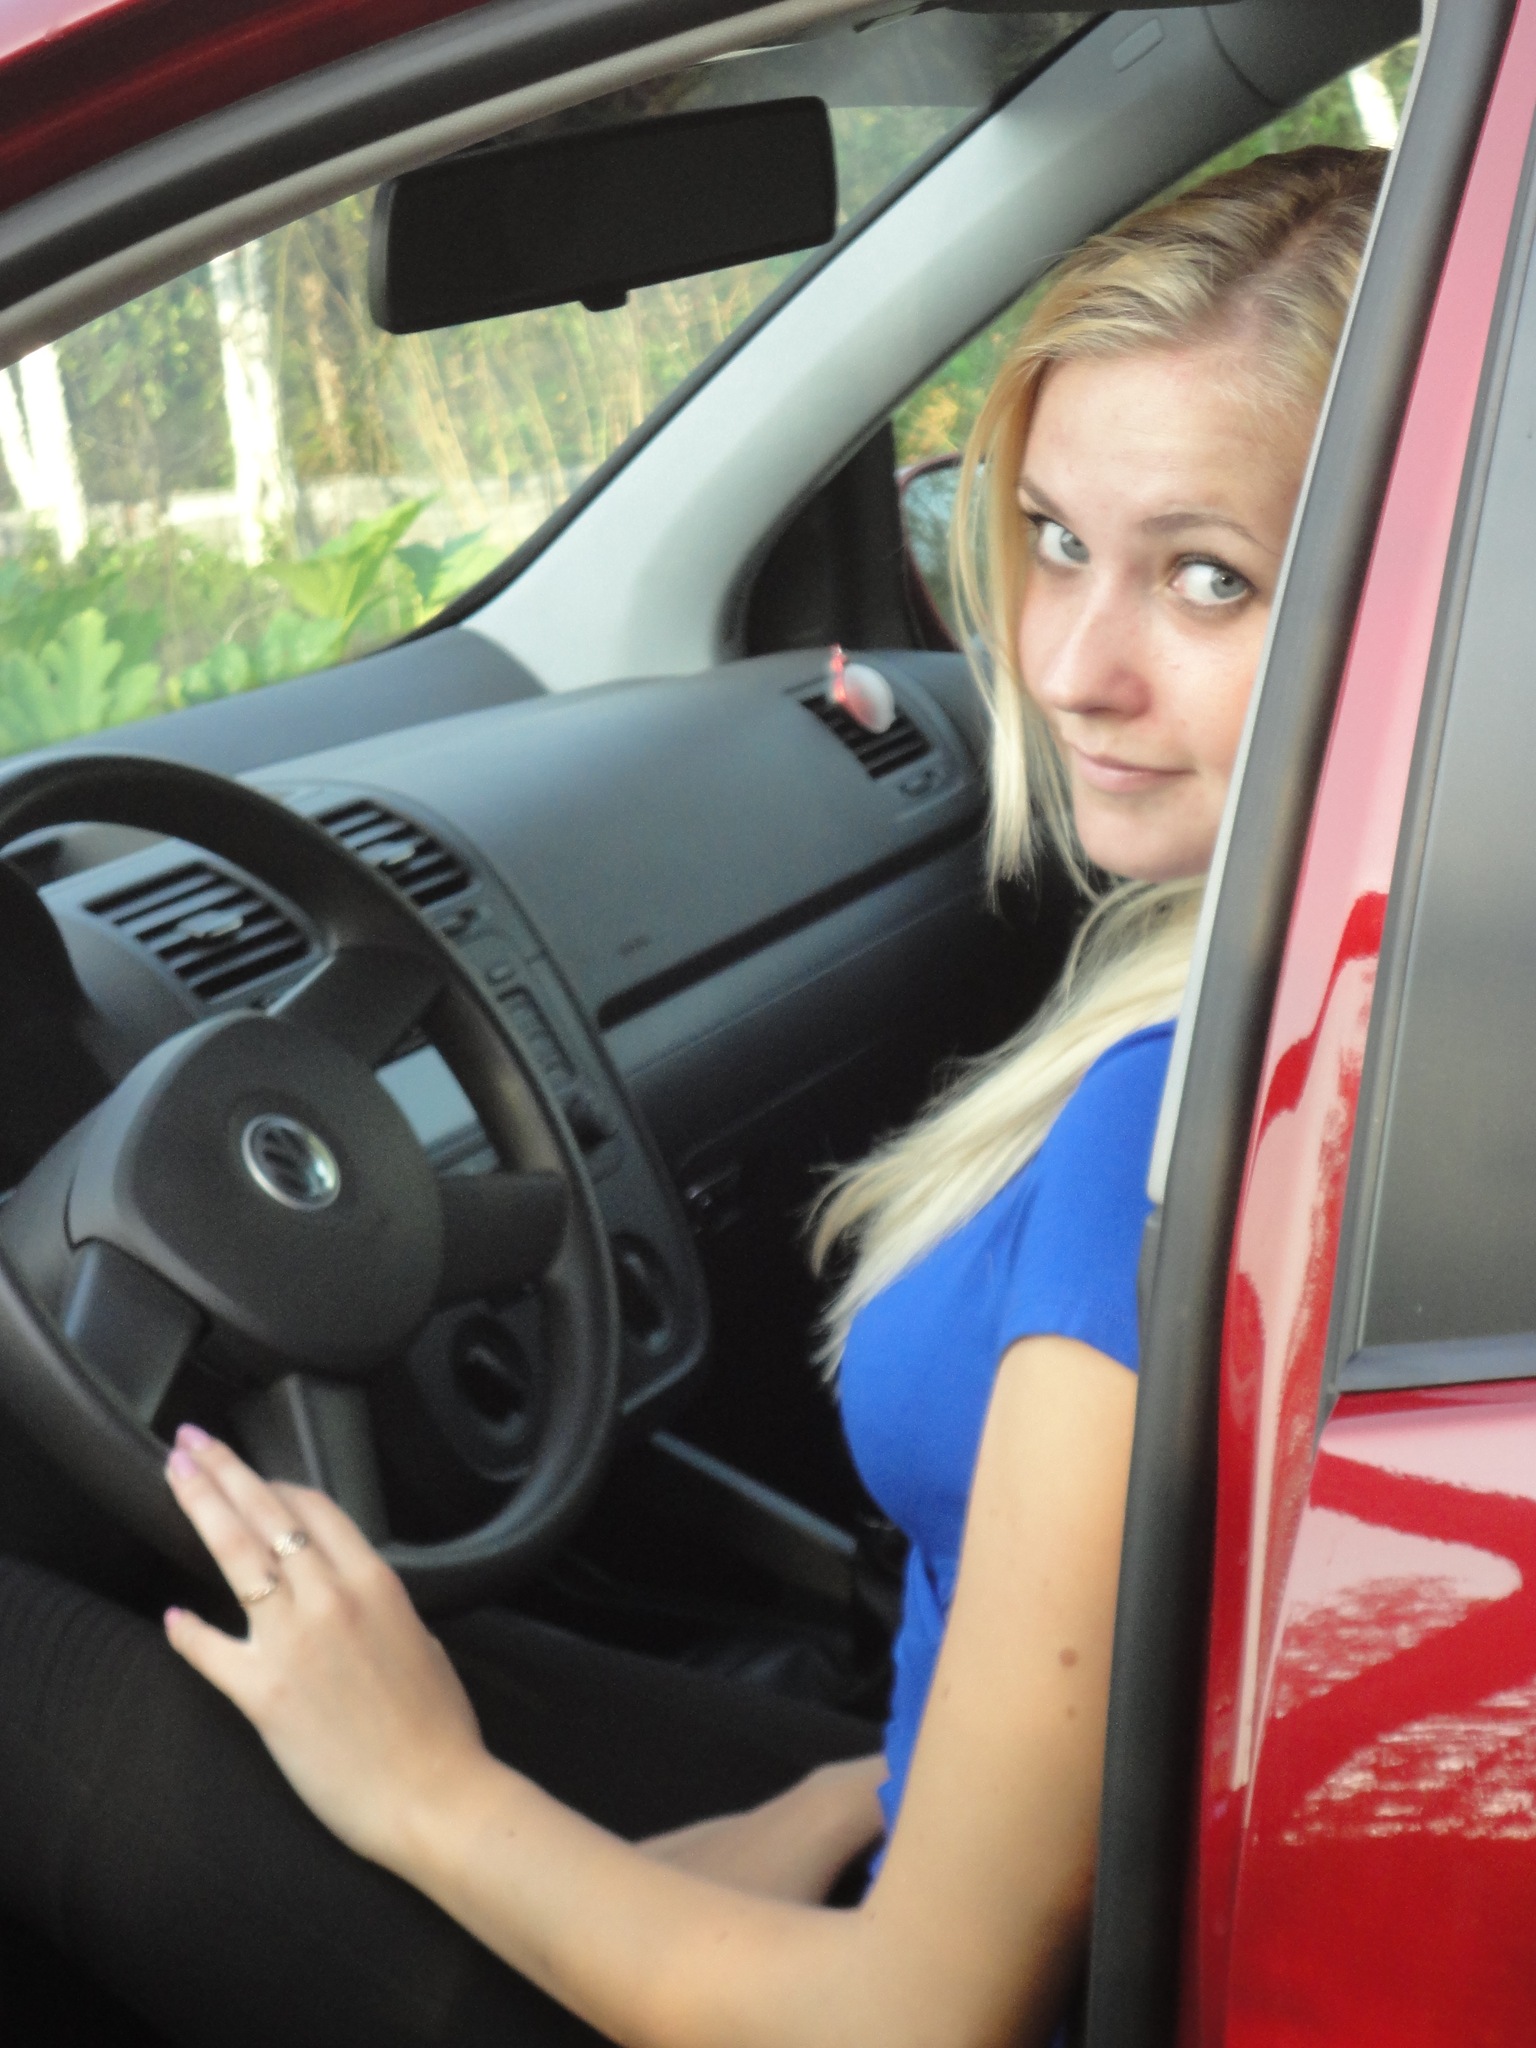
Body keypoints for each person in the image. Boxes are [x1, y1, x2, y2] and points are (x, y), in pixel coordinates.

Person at [0, 144, 1383, 2048]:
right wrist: (847, 1800)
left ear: (1412, 596)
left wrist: (425, 1790)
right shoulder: (1328, 995)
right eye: (1052, 539)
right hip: (955, 1839)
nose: (1070, 668)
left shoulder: (1169, 1136)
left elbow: (920, 2016)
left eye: (1207, 578)